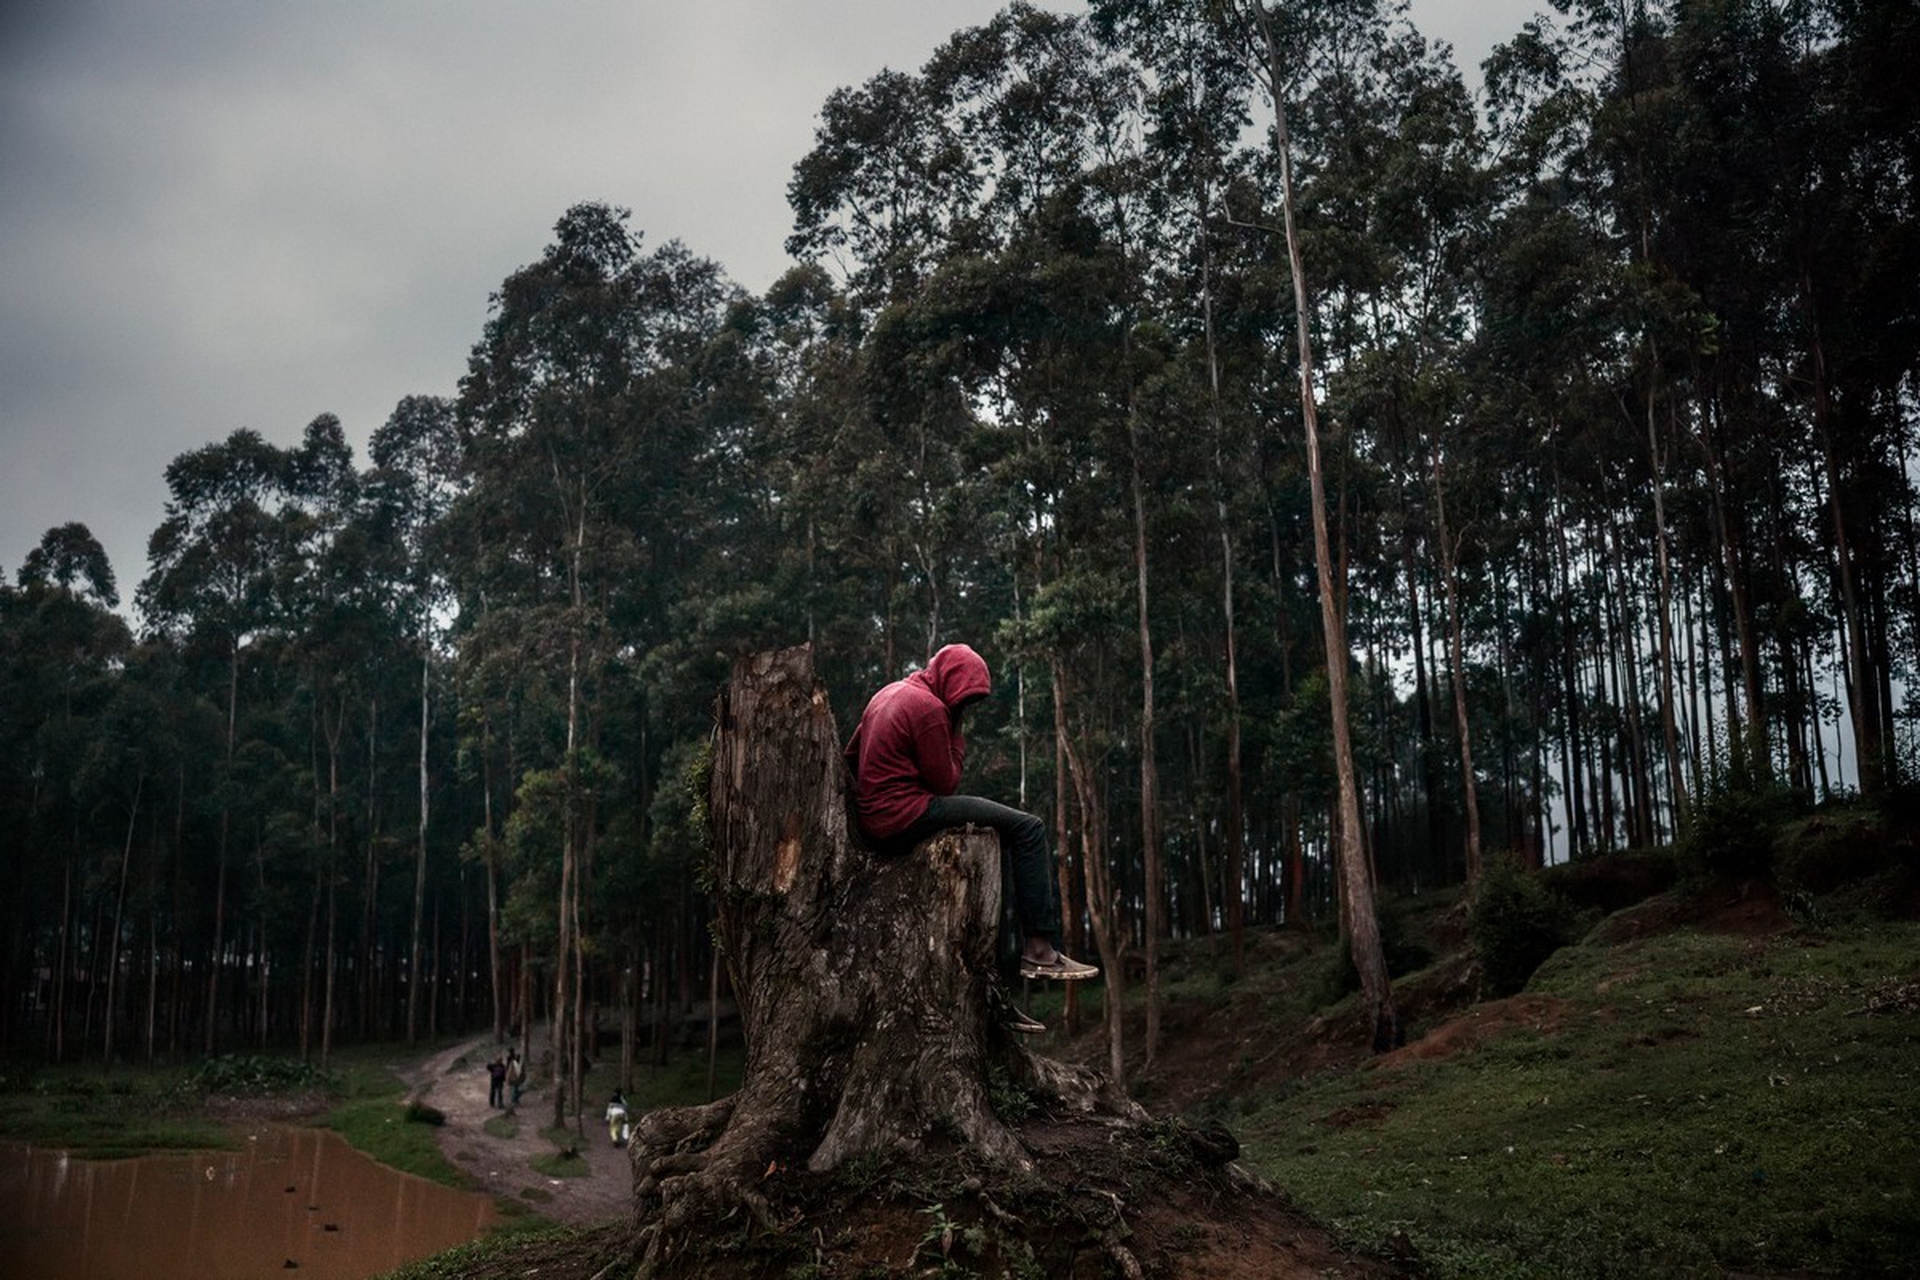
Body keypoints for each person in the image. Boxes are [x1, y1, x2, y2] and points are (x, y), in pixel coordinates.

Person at [844, 643, 1098, 1012]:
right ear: (949, 682)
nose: (964, 707)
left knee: (994, 840)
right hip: (905, 815)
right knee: (1028, 828)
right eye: (965, 700)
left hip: (876, 821)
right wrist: (956, 732)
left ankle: (995, 994)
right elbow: (946, 782)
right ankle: (1040, 950)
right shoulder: (930, 709)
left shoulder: (886, 694)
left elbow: (851, 758)